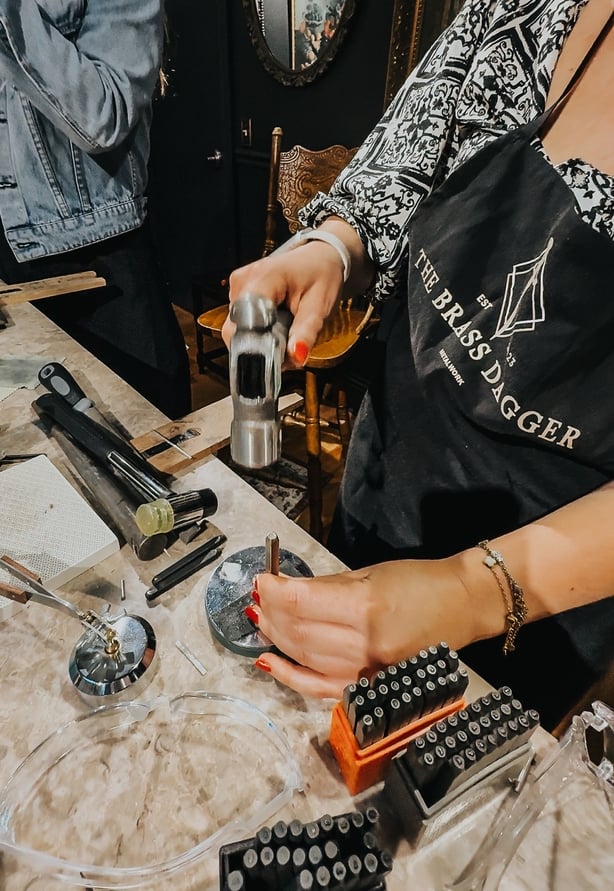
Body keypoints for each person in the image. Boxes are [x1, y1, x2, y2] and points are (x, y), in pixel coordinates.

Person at [224, 0, 614, 733]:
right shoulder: (526, 8)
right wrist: (332, 247)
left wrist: (467, 592)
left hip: (537, 588)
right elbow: (399, 164)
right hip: (389, 476)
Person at [0, 1, 191, 419]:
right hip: (7, 266)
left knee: (149, 445)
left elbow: (104, 117)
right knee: (32, 459)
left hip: (96, 256)